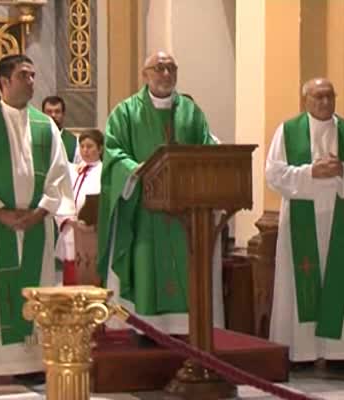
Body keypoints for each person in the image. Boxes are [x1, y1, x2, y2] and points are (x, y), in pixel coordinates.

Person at [0, 54, 74, 387]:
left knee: (34, 291)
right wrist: (1, 211)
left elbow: (59, 173)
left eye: (34, 75)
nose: (32, 81)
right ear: (3, 81)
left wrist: (41, 210)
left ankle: (32, 360)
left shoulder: (45, 125)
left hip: (35, 225)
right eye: (24, 75)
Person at [97, 51, 224, 334]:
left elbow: (207, 148)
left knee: (185, 269)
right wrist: (136, 169)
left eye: (171, 68)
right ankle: (146, 328)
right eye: (159, 68)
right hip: (144, 210)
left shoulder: (191, 112)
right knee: (145, 268)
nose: (166, 74)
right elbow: (113, 154)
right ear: (145, 74)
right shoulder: (126, 112)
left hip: (184, 211)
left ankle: (184, 329)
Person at [266, 77, 344, 371]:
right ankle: (300, 353)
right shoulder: (288, 131)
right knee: (299, 281)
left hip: (340, 221)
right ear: (306, 100)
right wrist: (311, 172)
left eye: (329, 96)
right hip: (302, 221)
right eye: (318, 97)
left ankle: (341, 354)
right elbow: (273, 174)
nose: (325, 102)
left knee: (339, 281)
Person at [55, 129, 104, 285]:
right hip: (71, 230)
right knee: (70, 280)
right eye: (82, 146)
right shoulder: (73, 171)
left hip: (92, 233)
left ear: (100, 148)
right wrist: (68, 220)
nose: (85, 150)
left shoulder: (103, 172)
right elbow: (62, 197)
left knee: (90, 279)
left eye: (90, 146)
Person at [42, 95, 81, 164]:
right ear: (42, 114)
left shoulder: (74, 142)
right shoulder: (34, 137)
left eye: (57, 111)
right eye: (49, 112)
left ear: (63, 114)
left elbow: (77, 167)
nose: (53, 115)